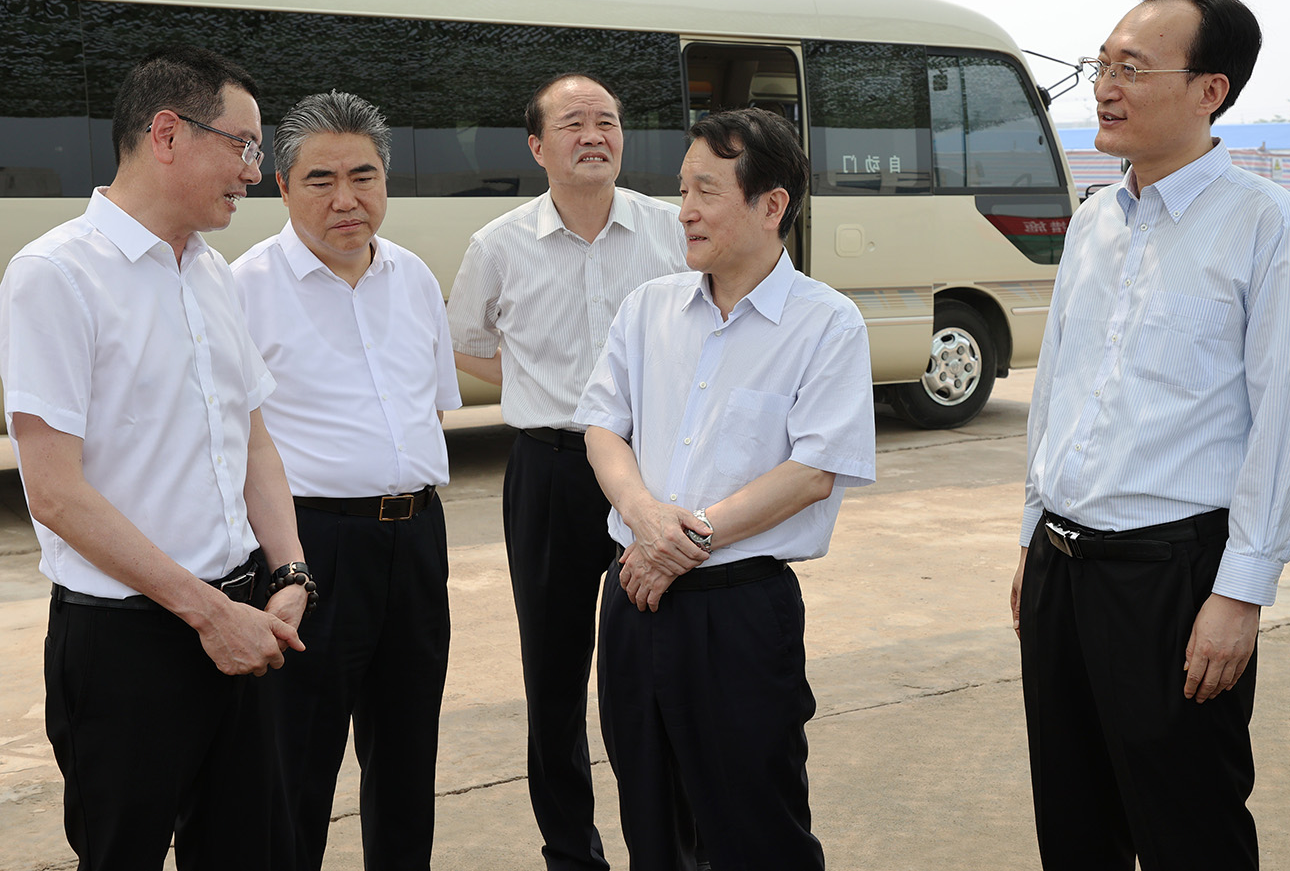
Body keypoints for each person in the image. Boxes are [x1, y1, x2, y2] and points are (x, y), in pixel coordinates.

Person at [1009, 0, 1290, 871]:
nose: (1104, 87)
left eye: (1131, 69)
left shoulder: (1268, 227)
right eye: (1101, 65)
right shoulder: (1092, 222)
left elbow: (1286, 421)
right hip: (1061, 569)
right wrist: (1032, 535)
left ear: (1209, 90)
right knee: (1072, 824)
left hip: (1172, 581)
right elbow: (1059, 389)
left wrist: (1241, 592)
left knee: (1187, 828)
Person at [0, 44, 309, 870]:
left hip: (240, 618)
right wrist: (207, 614)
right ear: (166, 133)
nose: (254, 172)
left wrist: (290, 571)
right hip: (126, 643)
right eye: (243, 145)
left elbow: (252, 439)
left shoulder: (212, 273)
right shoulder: (55, 275)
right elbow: (55, 493)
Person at [575, 107, 877, 870]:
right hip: (634, 594)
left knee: (756, 828)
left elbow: (812, 470)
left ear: (771, 204)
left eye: (706, 190)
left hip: (738, 610)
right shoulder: (648, 308)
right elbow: (603, 427)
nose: (684, 210)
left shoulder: (826, 323)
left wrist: (684, 539)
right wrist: (645, 518)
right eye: (682, 189)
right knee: (650, 824)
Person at [445, 72, 687, 871]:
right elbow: (464, 342)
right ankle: (571, 854)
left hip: (649, 474)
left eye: (606, 122)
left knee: (654, 670)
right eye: (574, 123)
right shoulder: (499, 244)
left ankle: (673, 847)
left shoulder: (668, 229)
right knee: (552, 677)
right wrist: (533, 385)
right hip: (547, 473)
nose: (593, 136)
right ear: (536, 146)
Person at [231, 90, 461, 871]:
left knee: (407, 758)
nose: (346, 199)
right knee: (297, 763)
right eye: (321, 179)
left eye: (363, 176)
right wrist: (282, 563)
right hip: (309, 549)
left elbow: (430, 406)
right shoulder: (243, 287)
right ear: (281, 185)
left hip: (416, 540)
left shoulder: (414, 277)